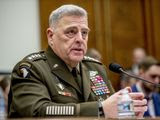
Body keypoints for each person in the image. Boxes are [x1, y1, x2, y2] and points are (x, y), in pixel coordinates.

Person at [8, 4, 147, 118]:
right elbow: (37, 111)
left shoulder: (95, 67)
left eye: (84, 32)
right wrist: (99, 109)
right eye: (71, 32)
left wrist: (127, 113)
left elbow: (110, 110)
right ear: (51, 36)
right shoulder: (32, 69)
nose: (80, 39)